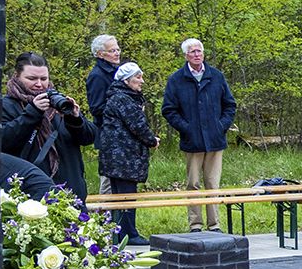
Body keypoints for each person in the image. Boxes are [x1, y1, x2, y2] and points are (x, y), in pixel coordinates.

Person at [161, 38, 237, 231]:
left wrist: (221, 126)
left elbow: (230, 105)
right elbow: (169, 110)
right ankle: (195, 224)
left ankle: (214, 225)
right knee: (193, 184)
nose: (197, 54)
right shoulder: (177, 79)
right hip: (192, 141)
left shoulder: (216, 76)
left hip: (215, 140)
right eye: (193, 51)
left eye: (199, 51)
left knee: (213, 184)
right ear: (186, 55)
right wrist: (186, 128)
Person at [1, 52, 95, 201]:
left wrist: (75, 119)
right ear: (17, 76)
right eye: (32, 78)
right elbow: (3, 143)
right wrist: (33, 113)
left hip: (70, 193)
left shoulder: (58, 103)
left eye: (43, 79)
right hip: (30, 195)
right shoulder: (5, 106)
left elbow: (89, 137)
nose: (39, 84)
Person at [94, 62, 160, 245]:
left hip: (118, 158)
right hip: (123, 158)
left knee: (120, 198)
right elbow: (138, 125)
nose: (142, 81)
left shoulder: (118, 97)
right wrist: (152, 140)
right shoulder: (123, 99)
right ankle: (129, 235)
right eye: (138, 77)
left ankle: (122, 233)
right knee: (126, 198)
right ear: (126, 80)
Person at [85, 34, 120, 121]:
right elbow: (96, 108)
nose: (117, 53)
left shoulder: (117, 71)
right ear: (100, 54)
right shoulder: (97, 76)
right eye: (112, 51)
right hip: (106, 129)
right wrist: (123, 108)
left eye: (118, 50)